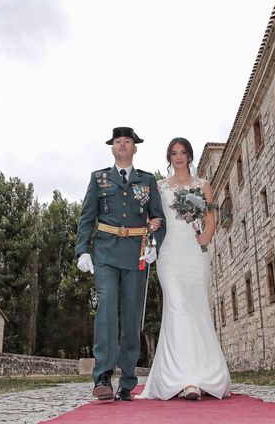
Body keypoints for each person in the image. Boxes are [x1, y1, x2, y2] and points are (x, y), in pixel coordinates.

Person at [76, 126, 165, 402]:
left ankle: (127, 379)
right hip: (104, 252)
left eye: (128, 141)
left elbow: (159, 218)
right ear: (112, 147)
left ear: (135, 148)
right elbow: (86, 217)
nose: (123, 144)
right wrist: (82, 251)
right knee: (105, 311)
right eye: (118, 141)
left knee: (131, 316)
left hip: (137, 254)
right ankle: (102, 377)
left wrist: (155, 248)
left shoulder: (147, 181)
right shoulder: (99, 178)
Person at [138, 137, 231, 401]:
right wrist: (151, 225)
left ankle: (205, 374)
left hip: (194, 253)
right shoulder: (159, 186)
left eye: (182, 152)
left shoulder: (204, 186)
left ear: (189, 156)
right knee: (177, 308)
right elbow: (150, 216)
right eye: (173, 153)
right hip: (169, 254)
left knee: (196, 308)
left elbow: (211, 216)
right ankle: (185, 379)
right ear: (169, 157)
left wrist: (207, 236)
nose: (178, 157)